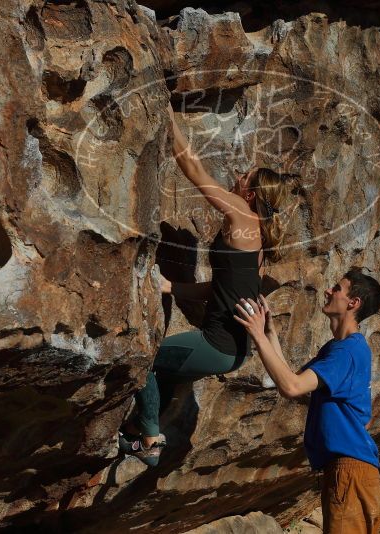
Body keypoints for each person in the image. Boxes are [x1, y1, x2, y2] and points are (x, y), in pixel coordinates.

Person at [118, 105, 295, 466]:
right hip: (235, 350)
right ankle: (137, 432)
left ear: (251, 193)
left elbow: (196, 169)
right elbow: (219, 289)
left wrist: (169, 120)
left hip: (217, 345)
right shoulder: (256, 241)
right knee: (167, 373)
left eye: (244, 177)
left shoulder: (242, 213)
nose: (237, 177)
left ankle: (150, 439)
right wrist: (170, 287)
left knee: (144, 361)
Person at [234, 269, 380, 534]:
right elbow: (292, 379)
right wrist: (269, 334)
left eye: (337, 288)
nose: (328, 291)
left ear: (353, 303)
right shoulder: (337, 349)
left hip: (349, 471)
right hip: (349, 470)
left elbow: (291, 387)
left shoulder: (347, 351)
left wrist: (256, 335)